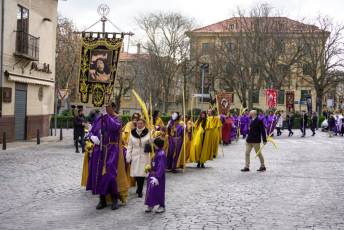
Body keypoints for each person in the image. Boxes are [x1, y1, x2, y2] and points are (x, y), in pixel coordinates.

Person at [86, 102, 127, 210]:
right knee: (98, 174)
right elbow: (90, 131)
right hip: (99, 150)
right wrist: (92, 138)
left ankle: (114, 199)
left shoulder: (117, 118)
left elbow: (115, 127)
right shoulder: (99, 119)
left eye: (108, 107)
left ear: (112, 108)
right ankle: (102, 199)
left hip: (112, 149)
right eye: (104, 107)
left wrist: (106, 116)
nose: (106, 109)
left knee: (110, 174)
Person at [126, 118, 151, 198]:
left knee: (142, 173)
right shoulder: (132, 133)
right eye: (138, 123)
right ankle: (138, 187)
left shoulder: (148, 132)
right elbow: (130, 145)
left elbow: (151, 144)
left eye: (141, 123)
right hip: (135, 155)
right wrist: (128, 156)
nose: (139, 125)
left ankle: (140, 190)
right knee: (136, 173)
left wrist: (151, 141)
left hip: (144, 155)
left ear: (144, 124)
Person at [145, 138, 167, 213]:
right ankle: (151, 204)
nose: (153, 146)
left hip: (158, 176)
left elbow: (161, 166)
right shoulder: (156, 152)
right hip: (152, 174)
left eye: (154, 144)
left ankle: (161, 205)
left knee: (159, 191)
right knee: (150, 190)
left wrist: (157, 175)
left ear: (156, 145)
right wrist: (149, 168)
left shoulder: (161, 154)